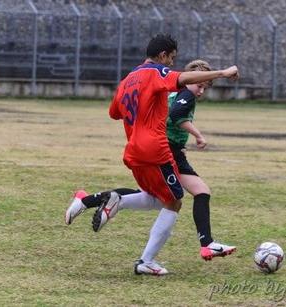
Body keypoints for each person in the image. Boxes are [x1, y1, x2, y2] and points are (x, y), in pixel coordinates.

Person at [66, 34, 239, 276]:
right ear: (162, 55)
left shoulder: (127, 79)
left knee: (157, 197)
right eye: (171, 59)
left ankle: (98, 200)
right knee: (174, 200)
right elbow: (183, 78)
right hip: (155, 149)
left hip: (133, 149)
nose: (171, 64)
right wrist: (221, 73)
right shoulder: (156, 72)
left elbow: (114, 112)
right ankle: (146, 259)